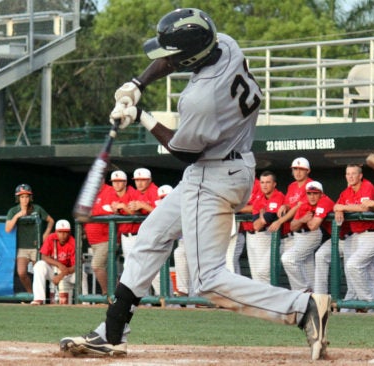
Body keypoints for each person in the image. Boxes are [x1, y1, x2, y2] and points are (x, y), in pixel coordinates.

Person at [60, 8, 331, 361]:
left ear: (191, 56)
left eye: (173, 53)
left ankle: (303, 307)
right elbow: (174, 60)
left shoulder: (201, 99)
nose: (167, 58)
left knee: (208, 280)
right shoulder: (227, 45)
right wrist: (137, 84)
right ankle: (111, 332)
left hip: (212, 177)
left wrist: (142, 116)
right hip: (225, 165)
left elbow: (182, 151)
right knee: (150, 237)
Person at [333, 164, 374, 305]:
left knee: (353, 265)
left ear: (360, 176)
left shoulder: (367, 186)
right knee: (368, 274)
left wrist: (342, 207)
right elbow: (336, 205)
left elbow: (364, 207)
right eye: (348, 174)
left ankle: (368, 302)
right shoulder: (347, 192)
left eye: (353, 173)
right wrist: (339, 210)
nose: (350, 176)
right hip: (359, 236)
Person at [283, 181, 334, 292]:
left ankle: (304, 290)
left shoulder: (324, 201)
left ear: (321, 194)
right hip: (300, 236)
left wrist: (306, 220)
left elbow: (313, 226)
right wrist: (302, 220)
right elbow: (292, 227)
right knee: (308, 269)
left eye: (315, 193)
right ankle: (313, 296)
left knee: (288, 259)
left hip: (314, 235)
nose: (312, 196)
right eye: (309, 193)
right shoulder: (304, 202)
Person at [5, 183, 54, 294]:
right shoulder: (13, 210)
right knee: (21, 272)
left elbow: (51, 221)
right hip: (22, 247)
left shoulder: (37, 208)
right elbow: (7, 229)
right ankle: (31, 293)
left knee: (39, 272)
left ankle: (41, 295)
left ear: (30, 197)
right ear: (18, 198)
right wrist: (18, 216)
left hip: (36, 246)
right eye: (22, 197)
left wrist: (45, 235)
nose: (25, 199)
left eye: (27, 196)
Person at [246, 170, 284, 284]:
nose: (264, 185)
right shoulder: (259, 199)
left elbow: (269, 216)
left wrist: (263, 217)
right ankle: (263, 300)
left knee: (264, 272)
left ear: (274, 184)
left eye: (268, 182)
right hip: (263, 236)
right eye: (262, 182)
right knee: (258, 273)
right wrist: (263, 218)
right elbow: (256, 225)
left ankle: (272, 298)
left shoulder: (278, 196)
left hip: (278, 238)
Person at [269, 157, 312, 255]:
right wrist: (285, 206)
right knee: (306, 267)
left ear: (308, 171)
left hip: (308, 231)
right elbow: (289, 203)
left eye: (301, 169)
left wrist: (279, 221)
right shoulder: (292, 186)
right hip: (296, 232)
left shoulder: (311, 185)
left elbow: (298, 207)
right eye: (295, 169)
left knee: (290, 261)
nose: (298, 172)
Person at [83, 173, 117, 295]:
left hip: (107, 238)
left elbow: (111, 210)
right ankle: (118, 294)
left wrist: (93, 212)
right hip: (94, 241)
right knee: (106, 270)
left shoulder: (110, 191)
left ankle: (107, 294)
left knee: (96, 266)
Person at [31, 220, 76, 305]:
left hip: (68, 273)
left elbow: (76, 266)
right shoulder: (51, 238)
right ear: (56, 232)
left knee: (83, 275)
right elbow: (43, 256)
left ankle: (85, 302)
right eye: (60, 232)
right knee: (39, 265)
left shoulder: (73, 242)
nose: (63, 235)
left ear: (69, 233)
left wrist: (62, 274)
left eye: (65, 232)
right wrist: (58, 264)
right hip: (53, 270)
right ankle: (38, 298)